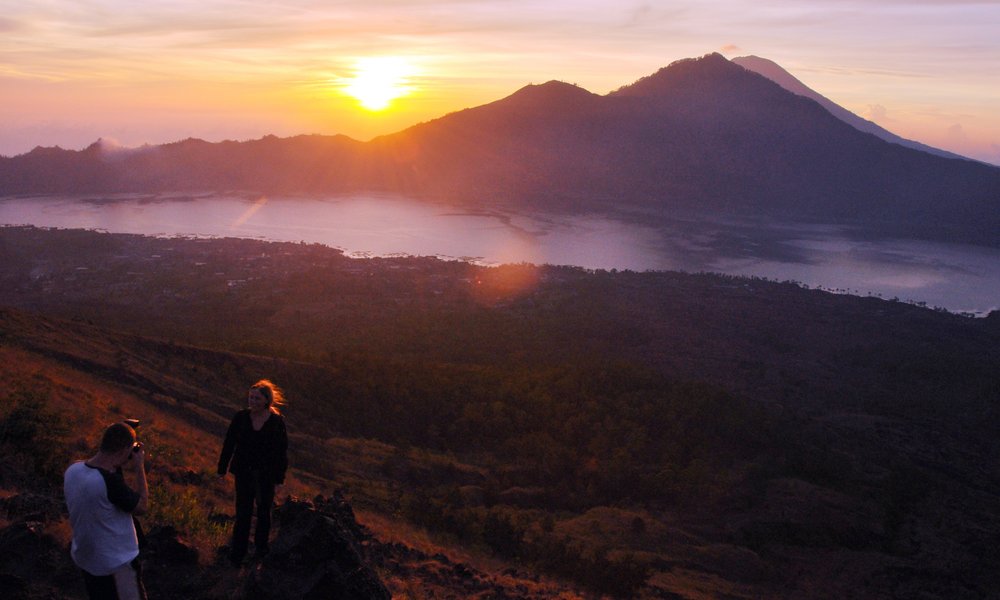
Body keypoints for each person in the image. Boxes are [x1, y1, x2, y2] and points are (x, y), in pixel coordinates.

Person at [64, 421, 149, 600]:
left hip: (88, 560)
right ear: (124, 450)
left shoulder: (73, 470)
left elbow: (107, 474)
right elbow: (142, 506)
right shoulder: (109, 483)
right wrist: (139, 465)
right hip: (118, 565)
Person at [217, 379, 288, 566]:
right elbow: (229, 443)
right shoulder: (240, 417)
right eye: (251, 397)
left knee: (264, 511)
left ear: (267, 400)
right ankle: (237, 553)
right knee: (243, 512)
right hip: (243, 471)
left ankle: (260, 550)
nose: (252, 401)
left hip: (266, 474)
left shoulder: (276, 422)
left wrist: (280, 479)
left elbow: (281, 451)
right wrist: (221, 469)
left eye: (257, 398)